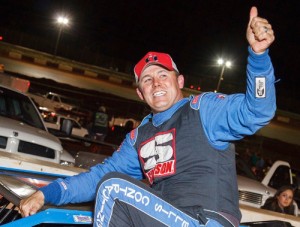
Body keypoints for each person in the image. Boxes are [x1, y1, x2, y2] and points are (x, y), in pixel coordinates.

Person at [19, 6, 276, 227]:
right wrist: (46, 194)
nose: (156, 83)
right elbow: (97, 177)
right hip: (165, 217)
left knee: (114, 188)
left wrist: (259, 58)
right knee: (105, 190)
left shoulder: (203, 109)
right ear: (140, 94)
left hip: (205, 220)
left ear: (181, 81)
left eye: (164, 75)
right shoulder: (140, 136)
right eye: (147, 80)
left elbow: (257, 111)